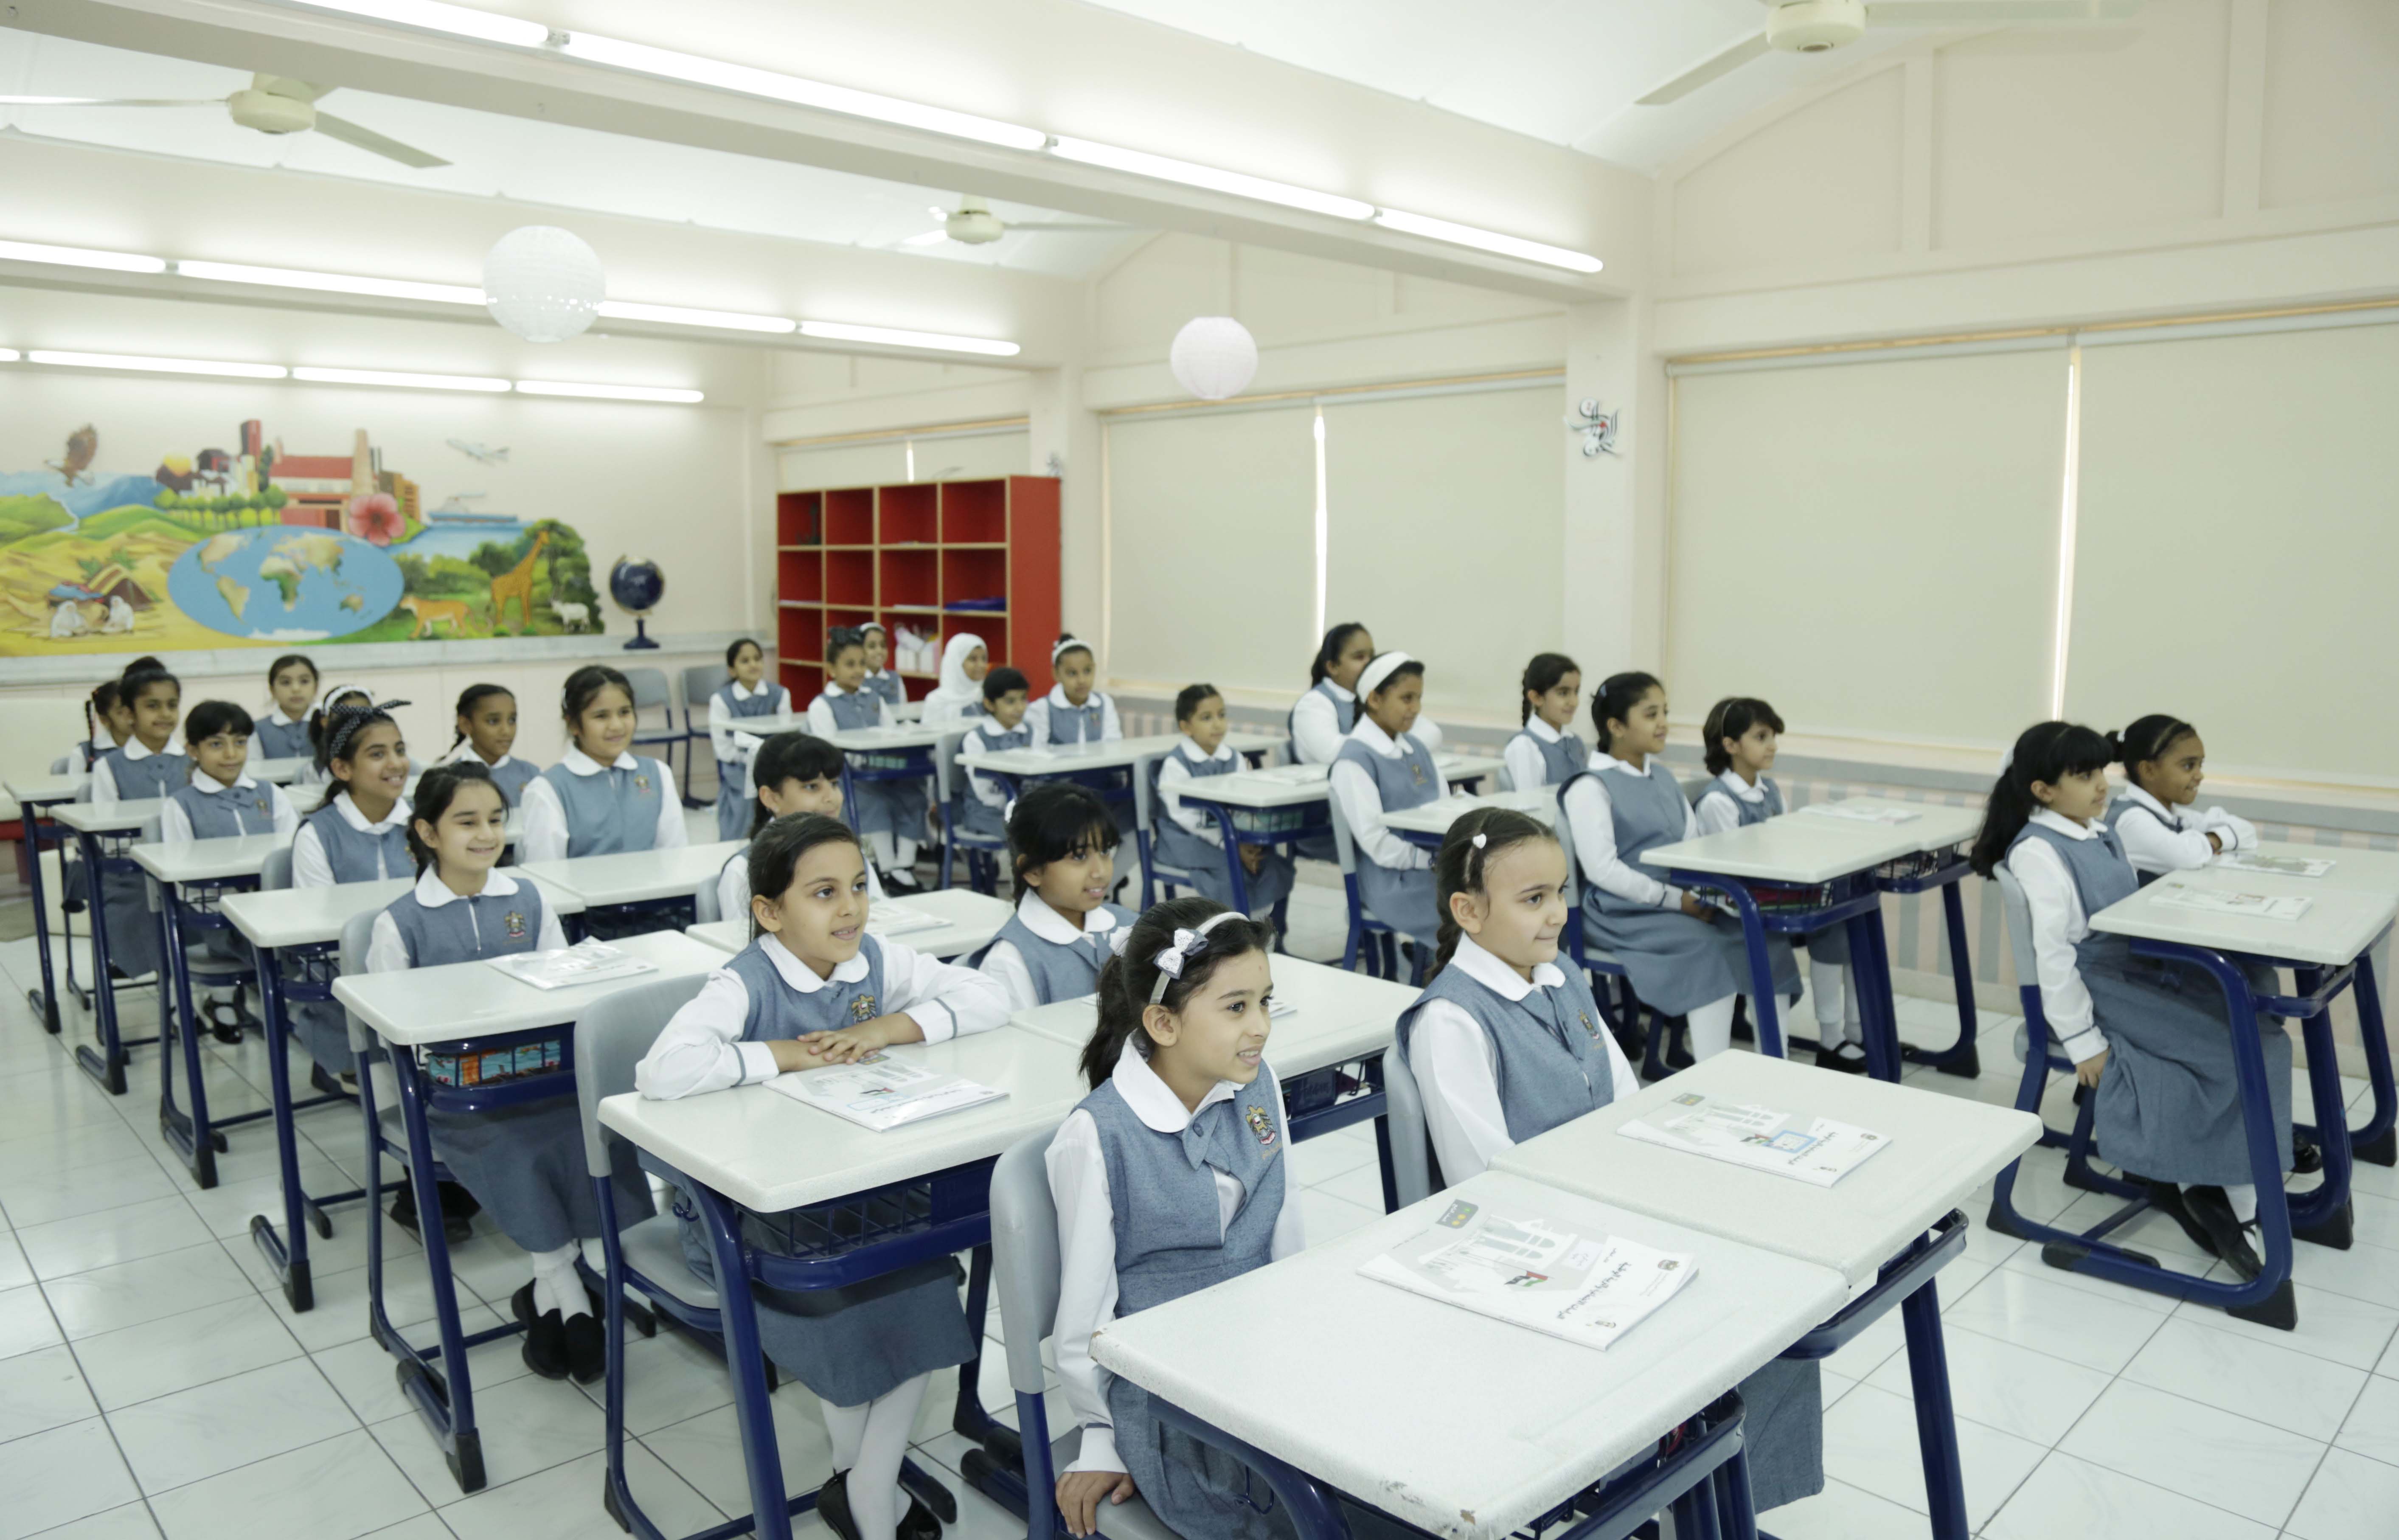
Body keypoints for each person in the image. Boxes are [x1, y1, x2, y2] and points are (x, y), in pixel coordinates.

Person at [636, 813, 1007, 1540]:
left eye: (861, 887)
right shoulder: (742, 982)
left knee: (927, 1287)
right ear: (769, 912)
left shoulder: (873, 960)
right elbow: (662, 1071)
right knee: (848, 1309)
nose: (850, 908)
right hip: (752, 1219)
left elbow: (990, 996)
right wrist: (785, 1054)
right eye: (825, 892)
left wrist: (884, 1030)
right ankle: (869, 1491)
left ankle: (864, 1479)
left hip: (862, 1197)